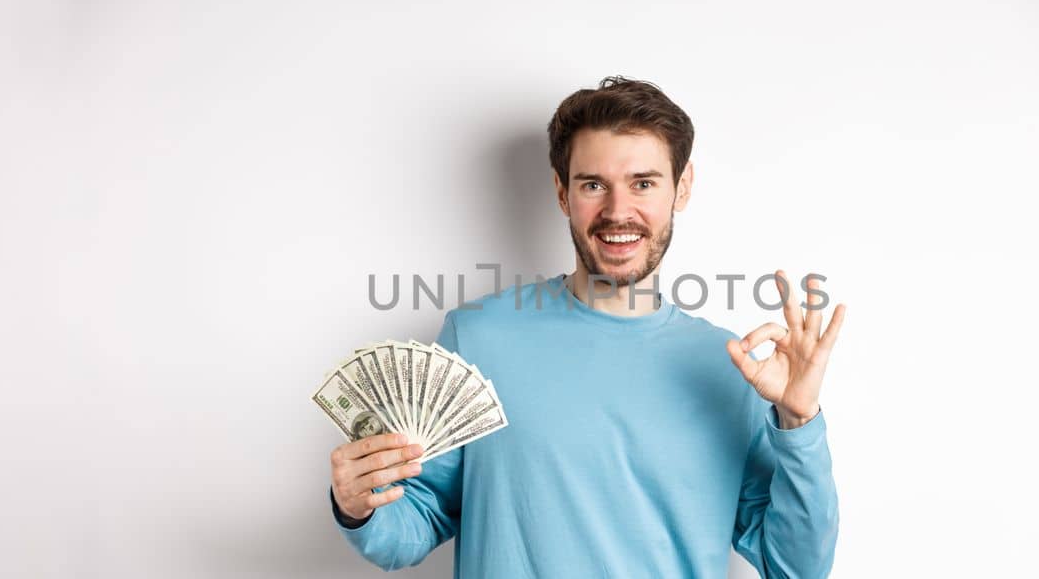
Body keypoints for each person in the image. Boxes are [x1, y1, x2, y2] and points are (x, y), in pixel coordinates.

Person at [327, 76, 846, 578]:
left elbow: (796, 567)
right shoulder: (477, 339)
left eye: (643, 183)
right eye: (594, 184)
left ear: (681, 188)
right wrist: (360, 507)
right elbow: (412, 526)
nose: (619, 212)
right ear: (561, 192)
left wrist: (799, 420)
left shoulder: (733, 370)